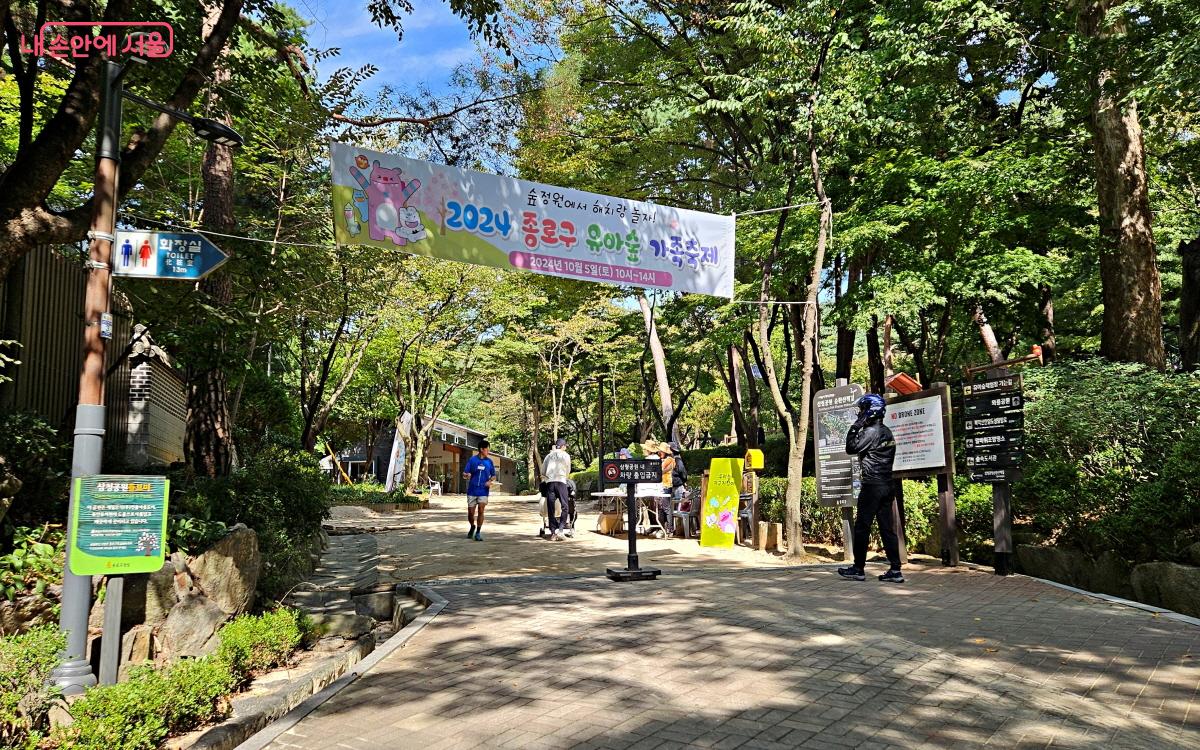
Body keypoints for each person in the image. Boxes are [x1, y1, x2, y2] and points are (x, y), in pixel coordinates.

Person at [838, 394, 903, 583]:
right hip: (887, 484)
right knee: (887, 529)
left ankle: (858, 568)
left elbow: (851, 448)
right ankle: (896, 570)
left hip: (872, 485)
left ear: (869, 411)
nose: (860, 413)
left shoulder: (870, 432)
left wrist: (854, 427)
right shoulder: (887, 431)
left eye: (862, 410)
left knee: (862, 527)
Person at [461, 440, 496, 542]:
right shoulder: (472, 460)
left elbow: (493, 475)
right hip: (472, 490)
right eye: (487, 449)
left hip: (483, 491)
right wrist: (466, 475)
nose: (488, 451)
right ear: (481, 449)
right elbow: (464, 474)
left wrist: (489, 481)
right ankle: (472, 526)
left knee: (481, 509)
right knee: (470, 513)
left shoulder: (489, 462)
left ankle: (478, 532)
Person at [542, 437, 572, 540]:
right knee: (565, 505)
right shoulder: (566, 455)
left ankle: (553, 532)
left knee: (551, 508)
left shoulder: (548, 456)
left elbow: (543, 471)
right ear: (563, 446)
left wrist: (548, 478)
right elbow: (568, 470)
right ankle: (561, 529)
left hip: (550, 483)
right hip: (561, 481)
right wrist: (565, 477)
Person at [656, 441, 677, 538]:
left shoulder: (669, 460)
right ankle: (664, 528)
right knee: (662, 508)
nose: (659, 453)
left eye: (661, 451)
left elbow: (659, 469)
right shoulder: (667, 459)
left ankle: (670, 529)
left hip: (666, 485)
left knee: (666, 507)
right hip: (663, 485)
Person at [669, 442, 689, 535]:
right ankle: (676, 529)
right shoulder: (673, 461)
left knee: (679, 508)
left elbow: (684, 474)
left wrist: (683, 481)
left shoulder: (677, 461)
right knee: (674, 508)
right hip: (674, 487)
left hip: (678, 487)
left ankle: (679, 530)